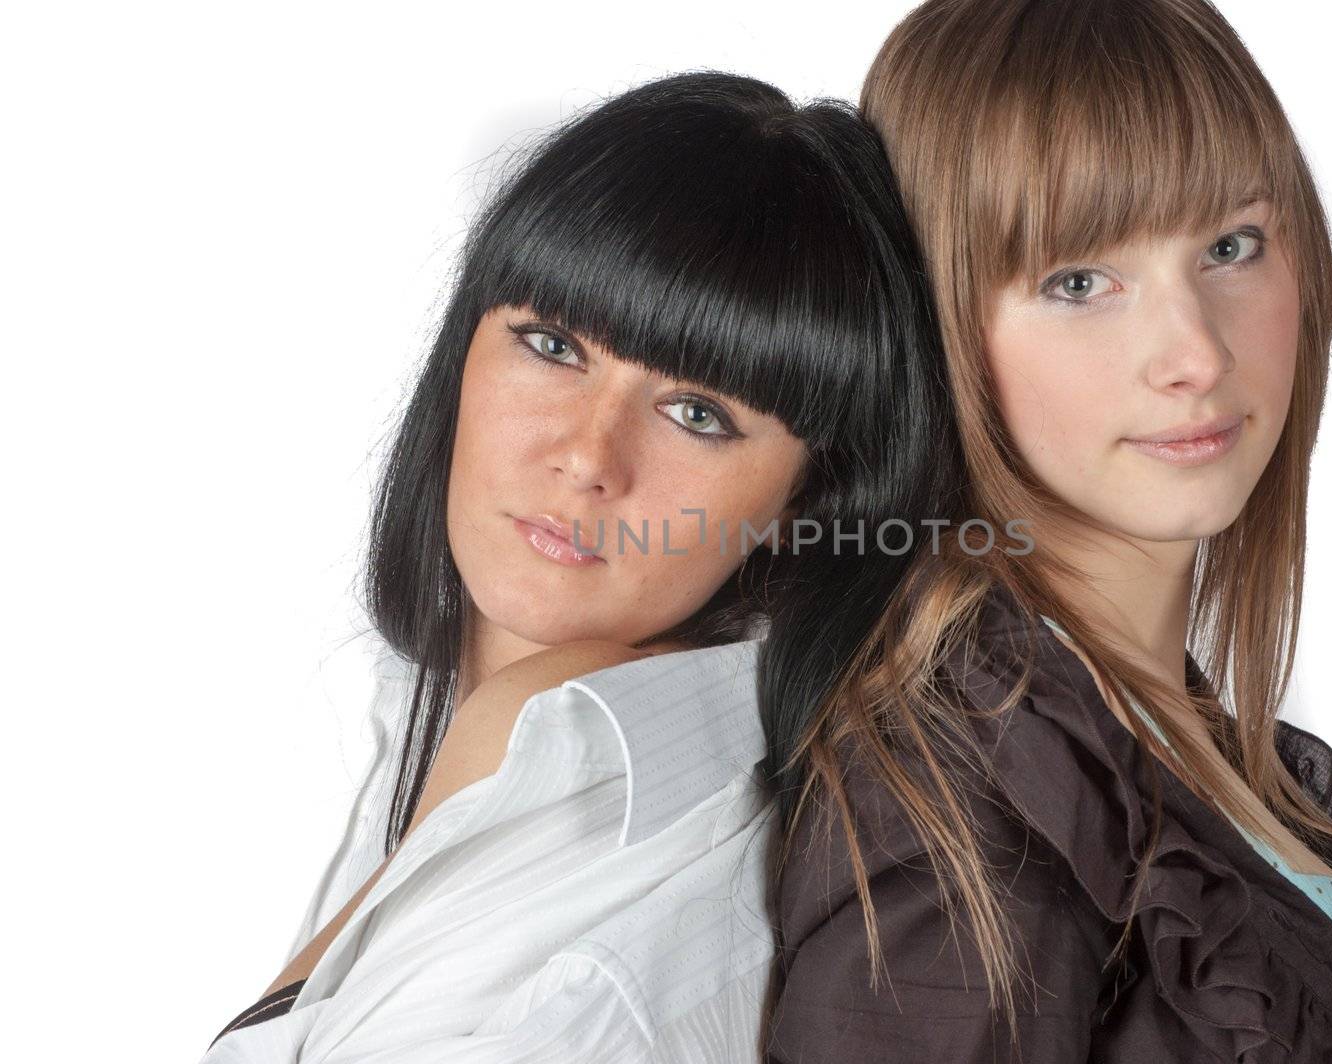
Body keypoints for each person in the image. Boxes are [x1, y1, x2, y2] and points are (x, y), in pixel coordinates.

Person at [762, 2, 1332, 1062]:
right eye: (1078, 281)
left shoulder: (1169, 732)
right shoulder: (961, 811)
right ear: (937, 320)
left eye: (1230, 245)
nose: (1192, 351)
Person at [199, 70, 961, 1062]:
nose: (587, 456)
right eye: (551, 344)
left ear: (804, 501)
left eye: (698, 413)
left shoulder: (604, 913)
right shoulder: (432, 715)